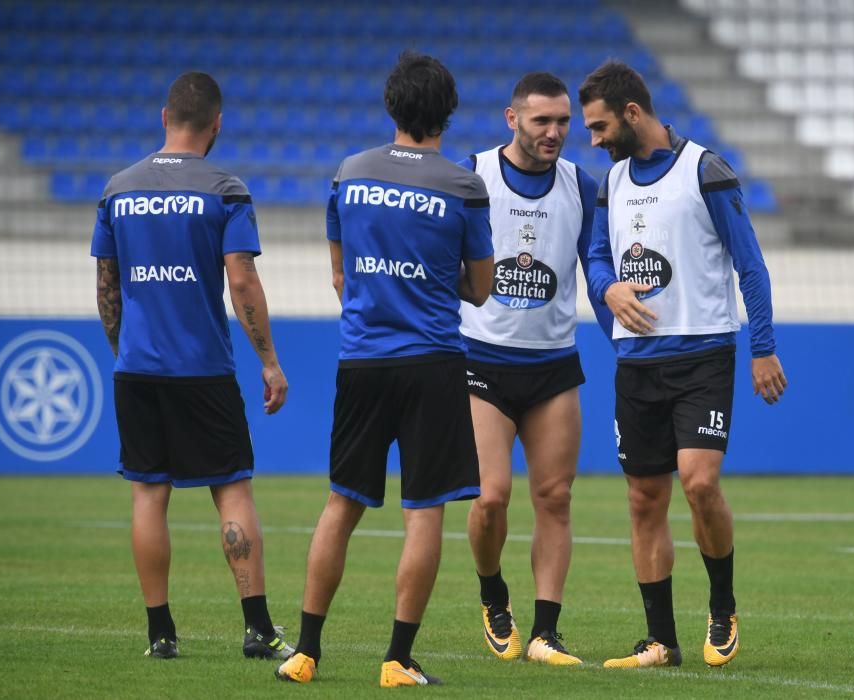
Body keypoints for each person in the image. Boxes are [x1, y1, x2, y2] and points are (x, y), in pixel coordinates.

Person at [274, 51, 494, 688]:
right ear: (446, 113)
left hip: (363, 360)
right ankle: (397, 660)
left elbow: (341, 277)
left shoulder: (349, 173)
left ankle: (306, 651)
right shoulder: (462, 185)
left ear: (392, 106)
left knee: (341, 503)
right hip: (432, 363)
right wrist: (428, 279)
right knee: (423, 512)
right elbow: (479, 289)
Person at [578, 60, 788, 669]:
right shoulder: (611, 183)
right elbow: (594, 258)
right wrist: (609, 289)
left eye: (597, 126)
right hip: (636, 365)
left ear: (632, 113)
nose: (592, 139)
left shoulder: (706, 171)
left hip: (702, 356)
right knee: (644, 499)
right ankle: (660, 641)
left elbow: (750, 264)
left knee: (698, 484)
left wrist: (763, 347)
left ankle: (721, 606)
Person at [91, 71, 293, 661]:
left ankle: (160, 634)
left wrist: (122, 352)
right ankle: (257, 628)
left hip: (138, 370)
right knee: (231, 490)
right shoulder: (225, 188)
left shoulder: (117, 189)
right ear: (217, 124)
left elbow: (107, 286)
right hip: (203, 369)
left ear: (164, 117)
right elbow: (241, 279)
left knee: (149, 495)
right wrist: (270, 362)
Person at [458, 72, 613, 666]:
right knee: (491, 497)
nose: (554, 132)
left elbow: (594, 269)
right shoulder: (473, 176)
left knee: (555, 497)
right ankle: (493, 593)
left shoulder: (581, 185)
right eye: (541, 120)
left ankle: (546, 632)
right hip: (482, 362)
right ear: (511, 118)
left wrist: (618, 325)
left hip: (553, 367)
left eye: (563, 122)